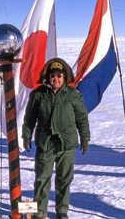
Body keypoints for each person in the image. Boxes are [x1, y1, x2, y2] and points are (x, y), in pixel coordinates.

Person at [22, 57, 90, 219]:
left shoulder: (73, 95)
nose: (56, 79)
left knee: (64, 179)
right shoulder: (38, 95)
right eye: (53, 75)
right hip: (45, 143)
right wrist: (26, 135)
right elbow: (29, 118)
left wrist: (85, 138)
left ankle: (62, 211)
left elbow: (82, 118)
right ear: (47, 77)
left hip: (66, 143)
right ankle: (39, 212)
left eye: (59, 75)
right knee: (42, 178)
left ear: (65, 77)